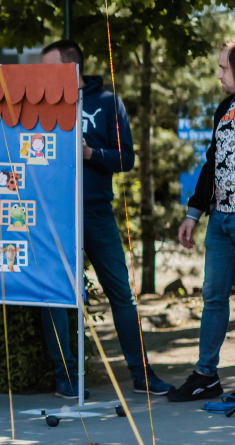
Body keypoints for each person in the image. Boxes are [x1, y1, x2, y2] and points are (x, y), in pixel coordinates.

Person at [37, 40, 172, 399]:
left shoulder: (108, 103)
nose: (43, 76)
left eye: (49, 68)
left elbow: (126, 159)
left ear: (72, 69)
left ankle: (142, 375)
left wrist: (90, 153)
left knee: (121, 295)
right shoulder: (39, 103)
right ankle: (64, 377)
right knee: (55, 297)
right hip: (55, 218)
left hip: (96, 213)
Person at [176, 41, 235, 401]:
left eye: (223, 68)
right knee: (213, 297)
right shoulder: (224, 109)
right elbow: (212, 163)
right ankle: (206, 376)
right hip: (220, 221)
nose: (218, 75)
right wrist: (193, 214)